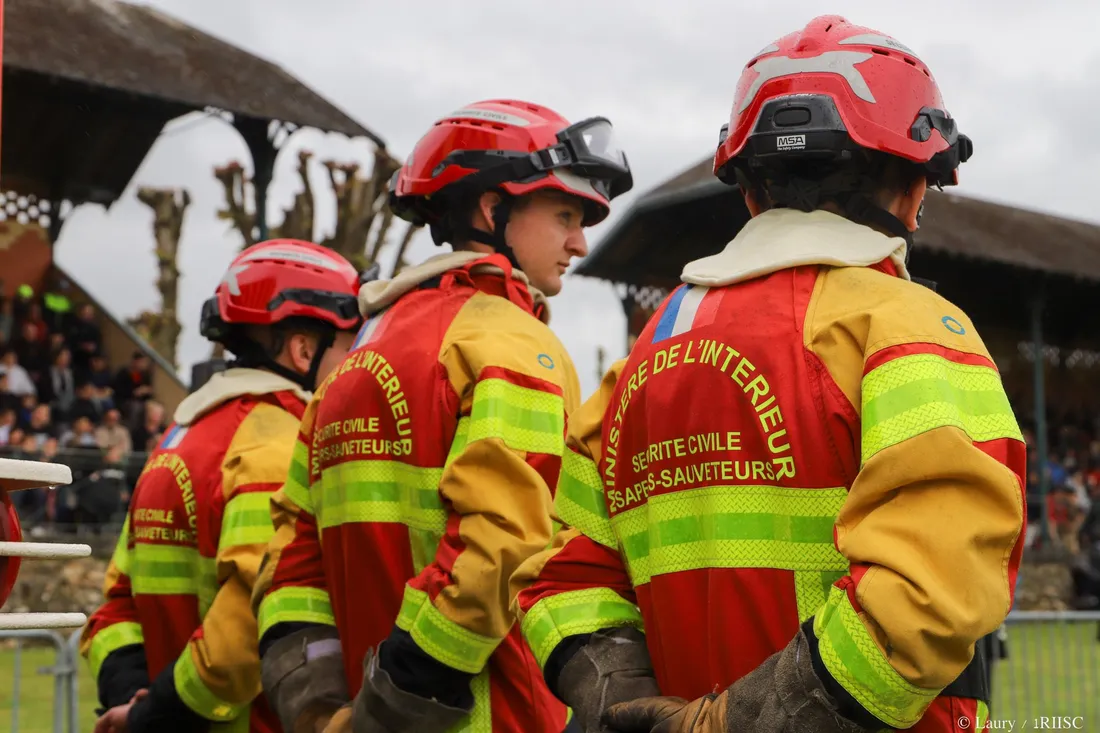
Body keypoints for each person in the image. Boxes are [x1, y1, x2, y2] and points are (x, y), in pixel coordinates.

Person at [511, 16, 1026, 733]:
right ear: (912, 187)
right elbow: (932, 590)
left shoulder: (642, 359)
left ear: (750, 192)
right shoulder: (912, 328)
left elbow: (560, 572)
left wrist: (630, 707)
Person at [251, 99, 633, 733]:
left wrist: (323, 712)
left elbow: (290, 561)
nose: (580, 242)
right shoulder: (512, 342)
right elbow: (500, 548)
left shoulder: (352, 362)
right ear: (493, 209)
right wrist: (391, 711)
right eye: (565, 214)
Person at [79, 239, 364, 733]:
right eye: (349, 343)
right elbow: (250, 624)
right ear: (302, 350)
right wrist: (157, 714)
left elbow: (117, 604)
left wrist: (132, 701)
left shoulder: (178, 440)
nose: (359, 360)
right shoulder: (278, 443)